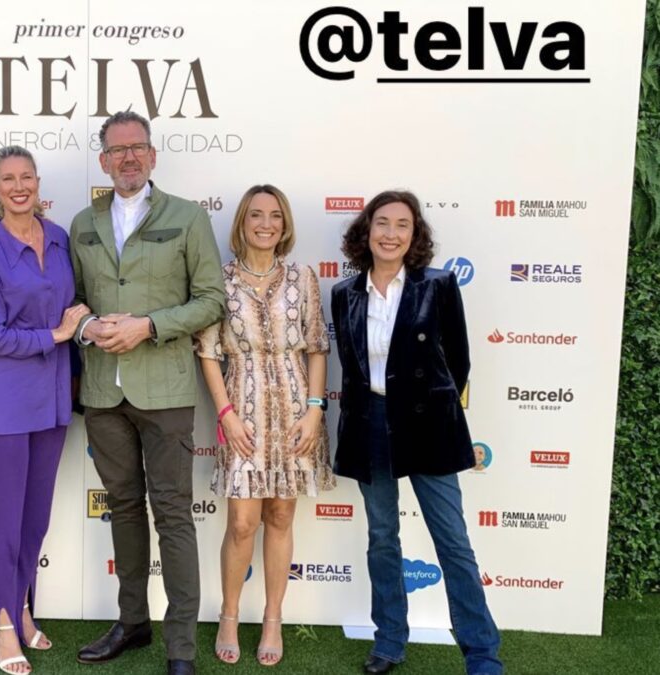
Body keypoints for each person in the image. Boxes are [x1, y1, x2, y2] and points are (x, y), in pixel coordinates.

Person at [70, 111, 226, 675]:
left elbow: (211, 298)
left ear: (153, 155)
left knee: (173, 515)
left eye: (137, 147)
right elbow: (73, 301)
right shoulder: (83, 222)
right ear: (104, 159)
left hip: (165, 392)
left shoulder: (186, 217)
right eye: (117, 150)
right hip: (103, 393)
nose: (128, 158)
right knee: (124, 510)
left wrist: (149, 325)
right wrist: (88, 327)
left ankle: (180, 645)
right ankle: (132, 622)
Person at [330, 190, 502, 675]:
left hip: (430, 427)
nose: (390, 233)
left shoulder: (439, 285)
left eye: (402, 225)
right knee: (383, 537)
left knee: (453, 541)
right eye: (381, 223)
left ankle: (482, 652)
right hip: (371, 427)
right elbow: (353, 367)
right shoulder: (345, 293)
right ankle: (389, 641)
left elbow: (459, 361)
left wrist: (432, 408)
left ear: (415, 234)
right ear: (366, 231)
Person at [193, 185, 335, 667]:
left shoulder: (303, 278)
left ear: (285, 223)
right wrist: (226, 414)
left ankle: (273, 617)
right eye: (256, 214)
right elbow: (208, 353)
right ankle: (229, 614)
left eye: (275, 215)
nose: (266, 223)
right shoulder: (220, 280)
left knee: (280, 516)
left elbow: (317, 345)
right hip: (243, 413)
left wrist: (315, 409)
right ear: (242, 222)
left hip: (296, 411)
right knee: (241, 523)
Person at [0, 145, 89, 674]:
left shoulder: (59, 239)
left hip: (55, 396)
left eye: (27, 177)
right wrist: (57, 332)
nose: (19, 186)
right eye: (8, 179)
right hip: (9, 400)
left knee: (35, 519)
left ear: (38, 183)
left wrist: (81, 326)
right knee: (6, 522)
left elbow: (76, 307)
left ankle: (22, 607)